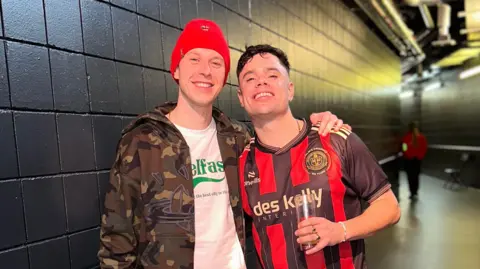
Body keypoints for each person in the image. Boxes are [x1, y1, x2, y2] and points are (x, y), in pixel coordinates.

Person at [98, 19, 350, 269]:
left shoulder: (238, 138)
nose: (206, 71)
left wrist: (318, 125)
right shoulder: (142, 141)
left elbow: (284, 148)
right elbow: (117, 238)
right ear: (175, 69)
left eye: (216, 62)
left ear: (223, 76)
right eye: (194, 59)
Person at [237, 44, 401, 269]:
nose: (261, 82)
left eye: (272, 75)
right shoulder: (242, 163)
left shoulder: (334, 139)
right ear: (241, 97)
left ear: (290, 89)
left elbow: (389, 207)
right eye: (249, 78)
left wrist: (340, 231)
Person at [401, 121, 427, 199]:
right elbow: (424, 148)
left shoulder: (406, 137)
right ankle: (415, 191)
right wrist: (420, 156)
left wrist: (408, 155)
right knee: (416, 176)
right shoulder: (421, 137)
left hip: (409, 160)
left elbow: (404, 148)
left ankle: (412, 192)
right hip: (417, 160)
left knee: (410, 176)